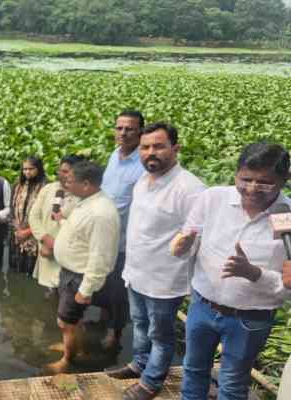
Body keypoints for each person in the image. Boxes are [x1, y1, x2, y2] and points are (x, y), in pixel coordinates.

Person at [172, 142, 291, 400]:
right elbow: (190, 239)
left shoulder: (288, 215)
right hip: (202, 305)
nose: (251, 189)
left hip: (250, 319)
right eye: (245, 179)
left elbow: (288, 284)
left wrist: (253, 273)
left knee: (233, 382)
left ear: (285, 179)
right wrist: (184, 246)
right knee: (193, 370)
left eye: (265, 183)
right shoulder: (213, 198)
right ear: (236, 173)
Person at [106, 122, 206, 400]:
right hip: (136, 271)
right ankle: (139, 363)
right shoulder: (143, 180)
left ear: (176, 148)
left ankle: (151, 381)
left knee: (160, 334)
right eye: (145, 147)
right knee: (139, 323)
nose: (151, 152)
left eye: (159, 146)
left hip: (165, 279)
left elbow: (200, 237)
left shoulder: (190, 188)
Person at [44, 159, 120, 374]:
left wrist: (86, 289)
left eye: (70, 181)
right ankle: (74, 346)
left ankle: (67, 360)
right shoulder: (87, 202)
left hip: (79, 276)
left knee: (66, 321)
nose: (66, 185)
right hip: (70, 272)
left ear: (86, 184)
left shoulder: (100, 213)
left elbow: (100, 256)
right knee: (71, 320)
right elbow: (79, 233)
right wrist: (60, 221)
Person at [93, 110, 145, 349]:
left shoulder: (143, 165)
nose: (123, 133)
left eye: (130, 129)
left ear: (140, 133)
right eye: (119, 128)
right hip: (104, 237)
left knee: (119, 291)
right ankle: (104, 320)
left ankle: (115, 334)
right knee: (104, 283)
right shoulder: (115, 155)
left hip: (125, 241)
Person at [29, 155, 83, 293]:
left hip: (67, 257)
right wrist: (45, 239)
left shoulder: (82, 196)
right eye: (61, 171)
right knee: (48, 294)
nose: (62, 175)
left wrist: (56, 246)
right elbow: (34, 217)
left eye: (67, 172)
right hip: (46, 251)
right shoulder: (49, 189)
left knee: (66, 296)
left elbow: (81, 231)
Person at [9, 156, 47, 275]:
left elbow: (47, 216)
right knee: (16, 269)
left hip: (35, 235)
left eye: (31, 169)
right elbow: (11, 209)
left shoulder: (46, 188)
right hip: (17, 233)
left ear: (39, 169)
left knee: (32, 271)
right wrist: (18, 229)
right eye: (24, 169)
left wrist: (28, 232)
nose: (27, 172)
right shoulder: (17, 185)